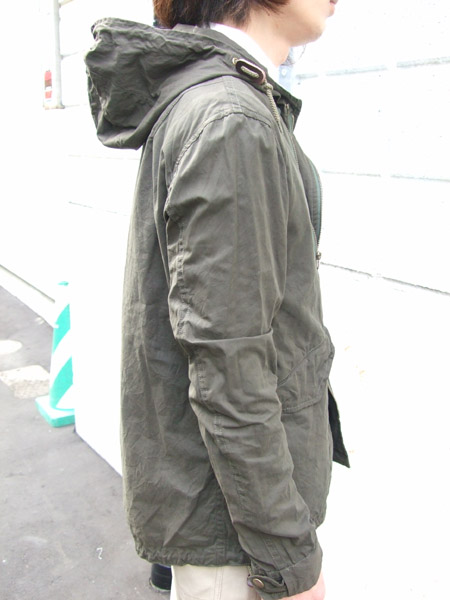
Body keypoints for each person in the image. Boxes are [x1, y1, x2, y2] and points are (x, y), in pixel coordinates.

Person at [85, 1, 349, 599]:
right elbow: (228, 366)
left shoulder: (223, 101)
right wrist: (289, 560)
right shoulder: (231, 117)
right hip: (236, 537)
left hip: (227, 510)